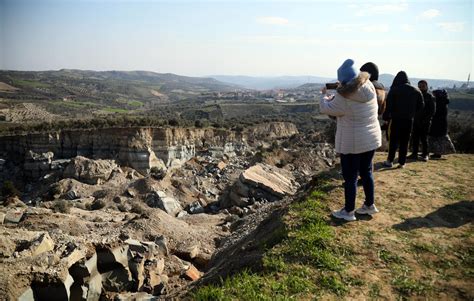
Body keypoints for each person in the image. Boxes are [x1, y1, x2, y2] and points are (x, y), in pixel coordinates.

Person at [320, 59, 382, 222]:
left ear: (345, 81)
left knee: (350, 177)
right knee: (367, 172)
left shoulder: (343, 96)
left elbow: (327, 108)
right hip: (370, 138)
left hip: (353, 142)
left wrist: (324, 95)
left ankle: (348, 212)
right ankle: (369, 205)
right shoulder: (369, 86)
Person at [382, 71, 424, 168]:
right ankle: (402, 162)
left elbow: (389, 106)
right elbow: (421, 106)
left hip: (396, 119)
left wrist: (386, 117)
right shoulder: (416, 91)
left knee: (393, 141)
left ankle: (390, 161)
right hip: (409, 120)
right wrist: (413, 115)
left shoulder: (394, 90)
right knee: (405, 141)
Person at [408, 80, 436, 161]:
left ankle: (425, 154)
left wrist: (426, 120)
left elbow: (432, 111)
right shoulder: (416, 95)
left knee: (424, 139)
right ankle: (414, 154)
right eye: (419, 86)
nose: (421, 88)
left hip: (426, 122)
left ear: (426, 86)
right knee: (415, 138)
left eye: (423, 86)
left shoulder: (430, 97)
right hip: (416, 121)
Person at [428, 89, 456, 158]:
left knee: (437, 138)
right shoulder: (443, 102)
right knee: (439, 138)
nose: (433, 96)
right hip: (441, 123)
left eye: (434, 94)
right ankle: (437, 153)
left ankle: (437, 153)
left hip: (438, 123)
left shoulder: (439, 103)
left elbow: (436, 112)